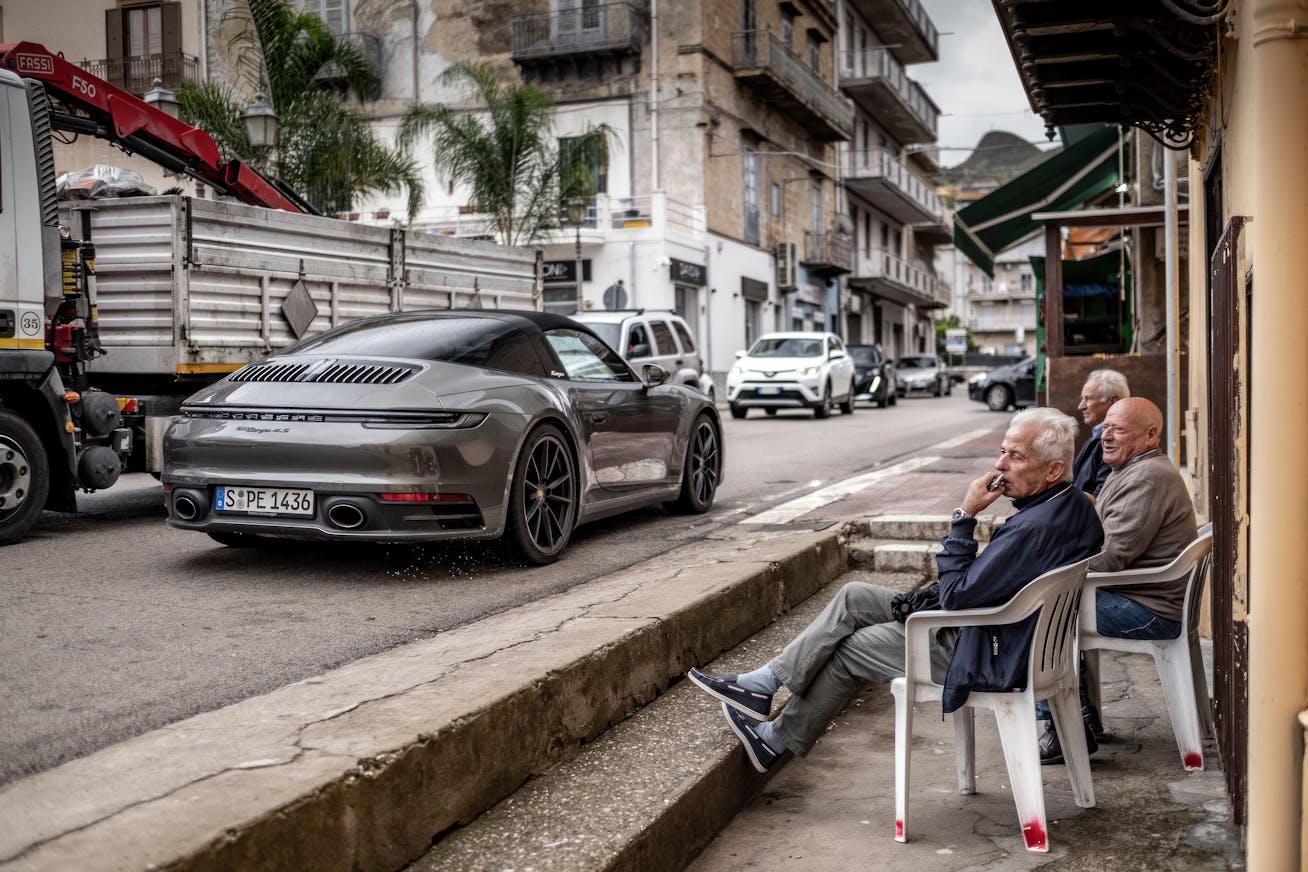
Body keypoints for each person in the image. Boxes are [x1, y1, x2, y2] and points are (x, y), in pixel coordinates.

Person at [687, 408, 1104, 773]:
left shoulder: (1031, 529)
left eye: (1016, 456)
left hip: (984, 651)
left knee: (850, 650)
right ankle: (764, 683)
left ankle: (775, 740)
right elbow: (984, 585)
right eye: (1002, 451)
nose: (1000, 465)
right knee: (853, 596)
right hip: (1011, 639)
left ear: (1053, 470)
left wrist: (964, 516)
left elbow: (957, 596)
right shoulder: (1075, 506)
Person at [1038, 396, 1199, 764]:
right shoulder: (1132, 469)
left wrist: (1046, 565)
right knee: (1048, 602)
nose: (1106, 436)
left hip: (1150, 609)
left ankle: (1065, 728)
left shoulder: (1145, 477)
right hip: (1144, 597)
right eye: (1105, 427)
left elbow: (1109, 558)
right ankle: (1080, 718)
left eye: (1119, 429)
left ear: (1151, 436)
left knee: (1040, 613)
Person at [1072, 369, 1129, 498]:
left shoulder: (1114, 442)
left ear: (1113, 402)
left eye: (1087, 399)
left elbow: (1101, 497)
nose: (1081, 406)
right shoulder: (1098, 436)